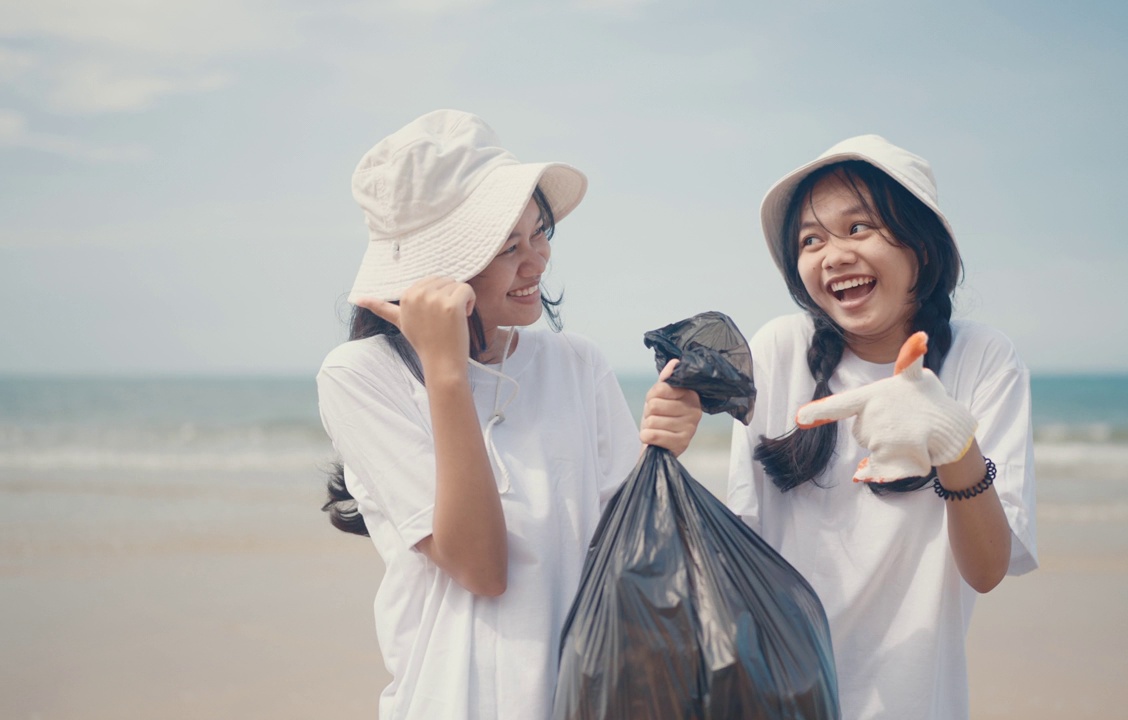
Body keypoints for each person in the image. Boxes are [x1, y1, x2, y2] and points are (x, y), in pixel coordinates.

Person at [316, 110, 699, 720]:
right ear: (429, 272)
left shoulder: (577, 363)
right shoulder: (360, 375)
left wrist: (664, 452)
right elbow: (481, 567)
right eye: (506, 246)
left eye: (539, 233)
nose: (537, 262)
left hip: (588, 696)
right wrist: (447, 372)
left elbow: (637, 555)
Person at [724, 135, 1038, 720]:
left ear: (920, 245)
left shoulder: (983, 359)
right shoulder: (779, 350)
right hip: (779, 697)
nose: (833, 255)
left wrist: (953, 442)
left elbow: (988, 568)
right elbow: (744, 547)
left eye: (858, 228)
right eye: (810, 240)